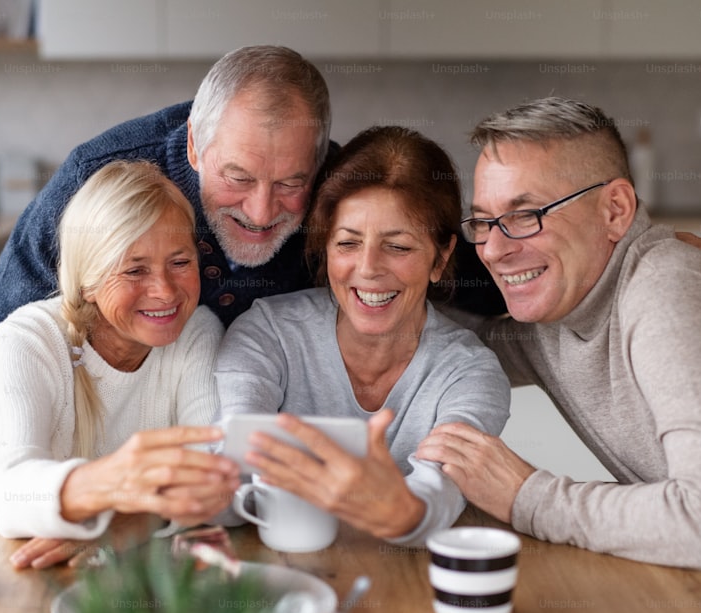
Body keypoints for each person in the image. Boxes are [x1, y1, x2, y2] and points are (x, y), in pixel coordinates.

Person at [0, 43, 701, 504]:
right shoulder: (107, 181)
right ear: (191, 146)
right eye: (237, 183)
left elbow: (466, 273)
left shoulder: (343, 202)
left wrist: (624, 253)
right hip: (107, 489)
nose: (263, 212)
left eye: (291, 186)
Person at [417, 97, 701, 613]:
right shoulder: (558, 317)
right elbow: (439, 352)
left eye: (526, 214)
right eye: (484, 221)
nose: (494, 249)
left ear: (614, 211)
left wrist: (527, 495)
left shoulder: (667, 295)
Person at [0, 160, 240, 566]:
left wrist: (125, 524)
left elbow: (218, 484)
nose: (165, 291)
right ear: (87, 281)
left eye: (180, 262)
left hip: (87, 563)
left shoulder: (197, 331)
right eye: (135, 269)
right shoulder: (26, 341)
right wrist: (115, 483)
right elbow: (9, 493)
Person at [214, 126, 510, 547]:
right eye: (348, 243)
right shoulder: (267, 334)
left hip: (411, 587)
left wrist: (398, 510)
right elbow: (233, 461)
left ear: (441, 257)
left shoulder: (469, 372)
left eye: (399, 247)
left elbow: (441, 492)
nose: (368, 268)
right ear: (325, 247)